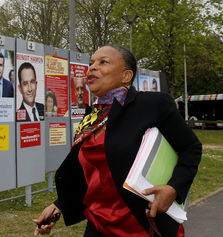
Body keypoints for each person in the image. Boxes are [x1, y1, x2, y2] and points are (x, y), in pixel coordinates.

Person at [33, 45, 202, 237]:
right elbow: (94, 174)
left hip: (144, 226)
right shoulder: (91, 117)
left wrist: (173, 188)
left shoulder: (153, 105)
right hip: (98, 225)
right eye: (91, 63)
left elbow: (191, 148)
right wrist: (59, 206)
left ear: (126, 76)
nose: (92, 68)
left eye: (103, 62)